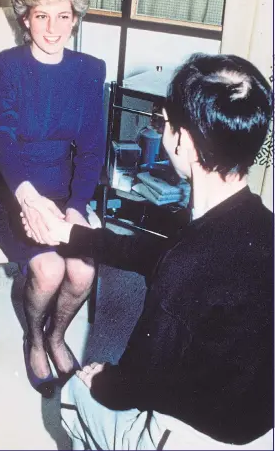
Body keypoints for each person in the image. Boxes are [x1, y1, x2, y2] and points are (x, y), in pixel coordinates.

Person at [22, 53, 273, 449]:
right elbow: (158, 253)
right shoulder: (255, 223)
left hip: (203, 436)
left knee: (74, 395)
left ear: (183, 141)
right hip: (257, 421)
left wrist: (101, 379)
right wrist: (72, 235)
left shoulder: (187, 267)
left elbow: (135, 384)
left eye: (165, 121)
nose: (162, 128)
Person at [0, 0, 106, 398]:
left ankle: (57, 335)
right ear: (25, 19)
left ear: (75, 17)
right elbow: (1, 140)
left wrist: (76, 206)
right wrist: (30, 200)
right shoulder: (0, 69)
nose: (52, 28)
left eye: (62, 16)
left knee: (83, 269)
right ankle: (34, 339)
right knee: (49, 268)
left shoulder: (90, 70)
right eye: (41, 16)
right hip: (8, 187)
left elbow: (92, 149)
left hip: (63, 188)